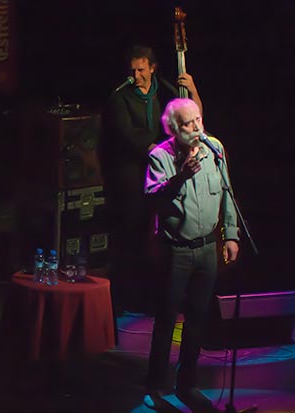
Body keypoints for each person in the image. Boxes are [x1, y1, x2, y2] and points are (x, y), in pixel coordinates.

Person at [143, 98, 239, 413]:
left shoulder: (215, 149)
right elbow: (152, 199)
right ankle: (156, 386)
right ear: (173, 128)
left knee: (198, 319)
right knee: (168, 319)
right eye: (188, 123)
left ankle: (188, 384)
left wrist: (231, 234)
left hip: (207, 248)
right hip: (176, 251)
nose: (197, 127)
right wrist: (180, 176)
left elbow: (227, 192)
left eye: (198, 119)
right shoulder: (160, 157)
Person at [100, 45, 203, 314]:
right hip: (131, 175)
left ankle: (153, 296)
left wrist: (191, 90)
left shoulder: (165, 90)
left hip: (161, 170)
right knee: (131, 234)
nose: (136, 75)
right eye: (133, 70)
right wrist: (158, 151)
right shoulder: (120, 97)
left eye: (142, 69)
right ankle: (123, 297)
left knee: (158, 237)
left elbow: (191, 115)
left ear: (153, 68)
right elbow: (125, 134)